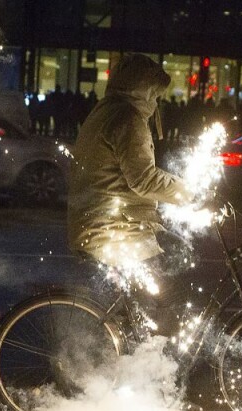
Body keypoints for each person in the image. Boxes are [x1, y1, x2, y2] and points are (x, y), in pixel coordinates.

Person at [67, 53, 192, 336]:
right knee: (170, 287)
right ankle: (160, 355)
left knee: (151, 290)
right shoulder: (128, 118)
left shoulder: (106, 110)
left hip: (99, 221)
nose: (157, 102)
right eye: (156, 95)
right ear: (144, 89)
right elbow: (143, 179)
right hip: (114, 229)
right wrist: (189, 193)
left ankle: (136, 345)